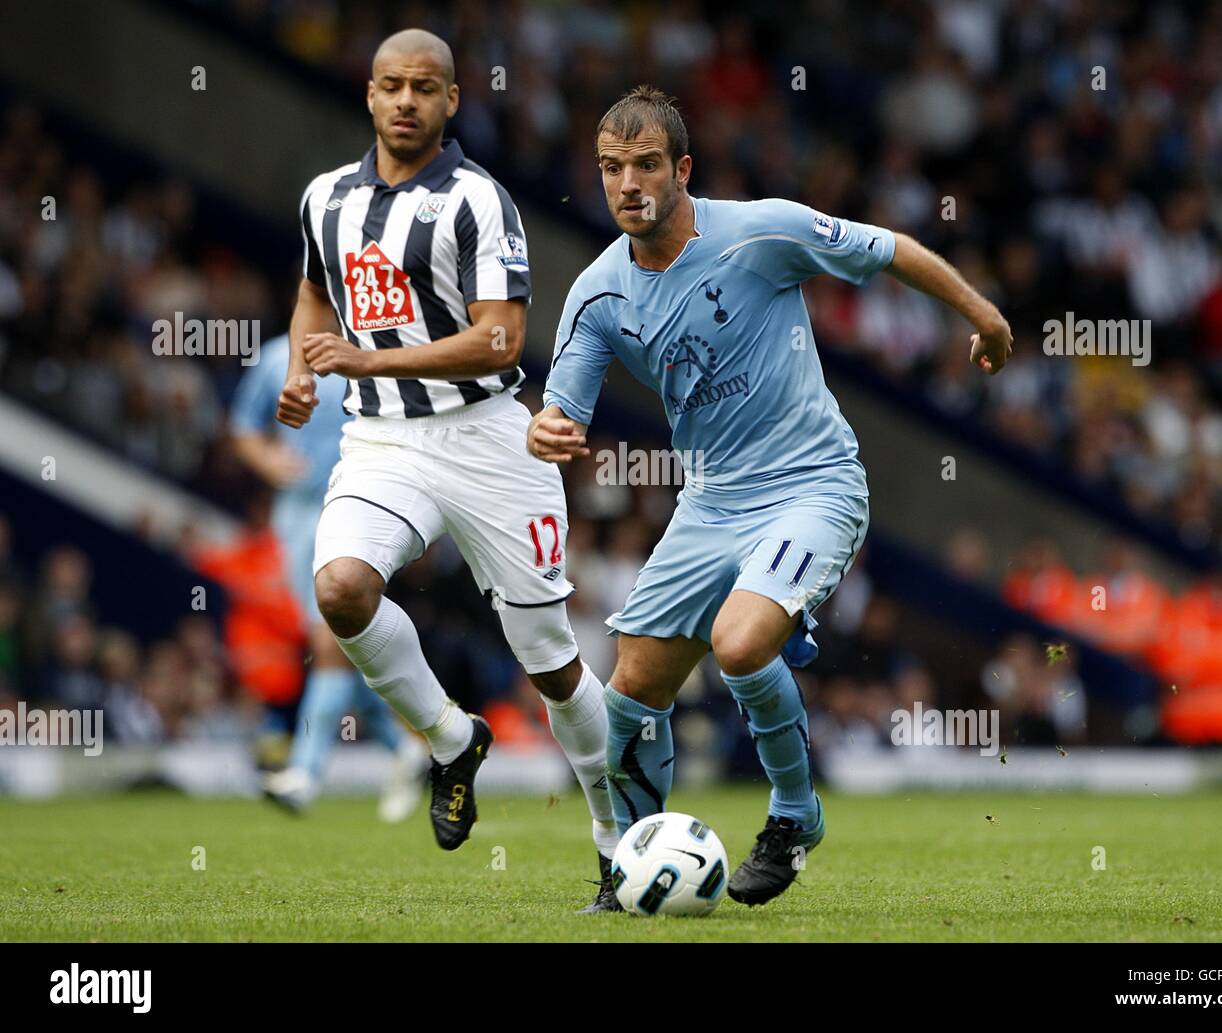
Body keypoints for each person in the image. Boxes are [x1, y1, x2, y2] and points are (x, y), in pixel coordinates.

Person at [530, 86, 1012, 907]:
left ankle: (795, 814)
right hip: (709, 502)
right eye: (611, 168)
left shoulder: (761, 231)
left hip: (813, 484)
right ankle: (629, 873)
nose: (628, 184)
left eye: (647, 165)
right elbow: (560, 408)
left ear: (682, 169)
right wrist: (548, 430)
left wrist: (984, 315)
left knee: (741, 642)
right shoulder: (597, 293)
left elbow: (889, 248)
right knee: (629, 695)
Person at [276, 29, 616, 910]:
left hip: (489, 440)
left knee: (548, 659)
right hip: (382, 442)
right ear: (369, 93)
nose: (405, 101)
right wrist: (300, 369)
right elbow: (315, 285)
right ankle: (448, 738)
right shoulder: (325, 198)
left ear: (452, 101)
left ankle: (616, 836)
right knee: (342, 587)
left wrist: (364, 359)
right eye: (390, 85)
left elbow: (501, 336)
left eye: (424, 88)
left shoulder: (477, 201)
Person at [231, 333, 427, 821]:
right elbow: (242, 426)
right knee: (341, 643)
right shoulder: (277, 357)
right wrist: (267, 459)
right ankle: (404, 748)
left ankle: (304, 772)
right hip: (296, 519)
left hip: (358, 514)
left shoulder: (375, 350)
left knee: (331, 640)